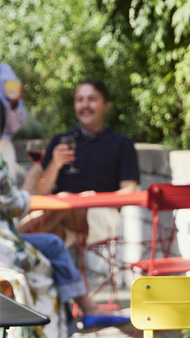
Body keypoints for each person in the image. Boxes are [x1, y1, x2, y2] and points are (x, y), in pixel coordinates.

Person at [0, 108, 129, 338]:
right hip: (5, 244)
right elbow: (14, 205)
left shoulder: (119, 144)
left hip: (81, 220)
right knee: (47, 263)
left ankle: (83, 313)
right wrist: (30, 185)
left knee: (53, 244)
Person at [19, 78, 139, 243]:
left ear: (106, 105)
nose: (85, 105)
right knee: (50, 228)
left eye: (92, 99)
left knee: (62, 202)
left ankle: (9, 242)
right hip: (58, 215)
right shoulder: (60, 141)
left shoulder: (122, 144)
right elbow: (41, 191)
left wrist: (92, 199)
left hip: (102, 213)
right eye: (80, 100)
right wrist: (55, 164)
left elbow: (129, 190)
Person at [0, 63, 27, 181]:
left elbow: (15, 127)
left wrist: (14, 103)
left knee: (8, 191)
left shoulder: (6, 71)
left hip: (3, 148)